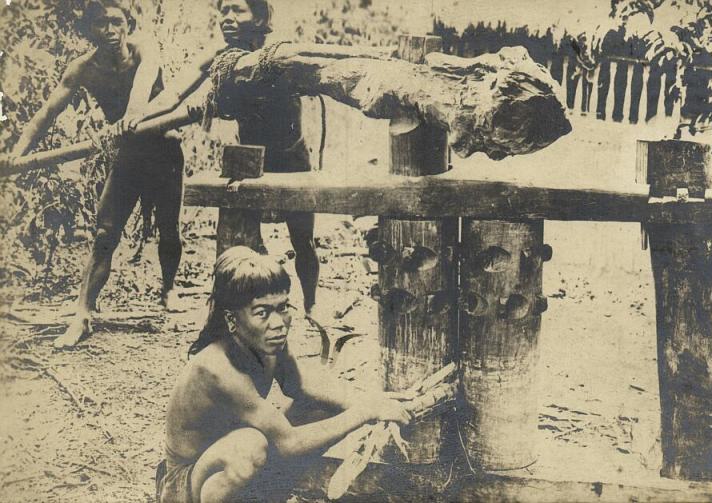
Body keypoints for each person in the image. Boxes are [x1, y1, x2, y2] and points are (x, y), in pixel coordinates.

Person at [157, 247, 410, 503]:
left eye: (283, 307)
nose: (278, 323)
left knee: (321, 409)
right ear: (232, 319)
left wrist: (370, 401)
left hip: (227, 457)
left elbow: (302, 387)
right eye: (262, 312)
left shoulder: (267, 341)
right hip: (186, 485)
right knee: (250, 446)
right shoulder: (217, 369)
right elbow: (289, 443)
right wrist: (364, 412)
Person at [137, 0, 327, 328]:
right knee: (241, 239)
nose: (227, 18)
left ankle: (311, 305)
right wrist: (137, 117)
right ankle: (237, 311)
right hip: (248, 157)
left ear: (258, 16)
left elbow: (323, 78)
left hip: (292, 156)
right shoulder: (220, 58)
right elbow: (174, 96)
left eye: (237, 11)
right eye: (223, 11)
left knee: (303, 240)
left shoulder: (281, 52)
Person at [7, 0, 184, 348]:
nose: (111, 31)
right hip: (129, 154)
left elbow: (143, 86)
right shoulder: (82, 69)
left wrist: (132, 116)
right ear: (90, 30)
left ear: (127, 24)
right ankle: (83, 313)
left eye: (117, 22)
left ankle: (169, 289)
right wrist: (17, 155)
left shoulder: (144, 48)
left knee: (170, 231)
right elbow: (46, 113)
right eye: (101, 24)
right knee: (105, 232)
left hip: (165, 149)